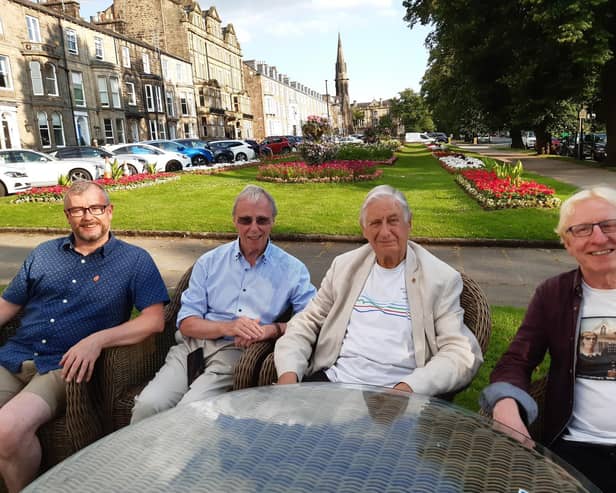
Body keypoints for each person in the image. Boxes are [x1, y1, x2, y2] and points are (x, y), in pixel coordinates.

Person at [0, 181, 169, 492]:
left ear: (109, 212)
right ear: (67, 216)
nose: (87, 216)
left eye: (95, 208)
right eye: (77, 210)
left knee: (6, 430)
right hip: (13, 356)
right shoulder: (44, 254)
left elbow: (154, 321)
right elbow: (8, 304)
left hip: (63, 367)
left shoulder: (134, 261)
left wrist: (97, 340)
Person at [131, 184, 316, 423]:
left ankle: (174, 461)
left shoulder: (292, 269)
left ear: (273, 222)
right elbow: (186, 323)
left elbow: (311, 321)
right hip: (191, 349)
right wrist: (229, 327)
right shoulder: (210, 262)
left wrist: (273, 329)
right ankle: (139, 459)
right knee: (148, 405)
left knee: (190, 412)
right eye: (245, 220)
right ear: (234, 221)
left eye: (262, 220)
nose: (253, 228)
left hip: (234, 354)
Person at [275, 185, 482, 395]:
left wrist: (409, 388)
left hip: (398, 396)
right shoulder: (344, 267)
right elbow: (304, 323)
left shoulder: (439, 279)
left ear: (409, 223)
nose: (384, 232)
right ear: (364, 229)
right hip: (335, 385)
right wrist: (288, 373)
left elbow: (461, 353)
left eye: (393, 221)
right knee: (274, 425)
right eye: (375, 223)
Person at [480, 186, 616, 492]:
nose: (598, 237)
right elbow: (516, 360)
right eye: (582, 229)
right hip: (579, 452)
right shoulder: (554, 294)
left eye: (609, 224)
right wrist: (505, 402)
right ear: (568, 244)